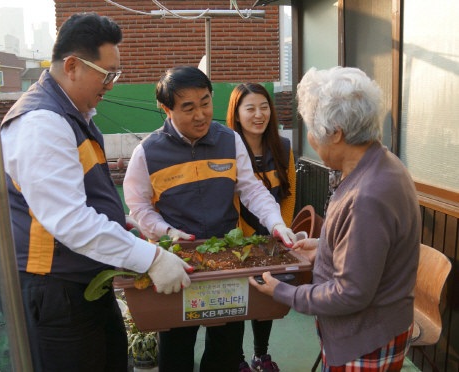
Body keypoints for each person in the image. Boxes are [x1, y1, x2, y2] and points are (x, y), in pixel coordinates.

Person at [0, 13, 191, 372]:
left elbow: (76, 199)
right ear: (72, 66)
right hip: (54, 292)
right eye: (107, 73)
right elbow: (70, 220)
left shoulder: (72, 116)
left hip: (81, 286)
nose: (112, 84)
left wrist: (124, 223)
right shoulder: (42, 124)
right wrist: (152, 259)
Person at [123, 66, 297, 372]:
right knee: (176, 351)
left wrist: (277, 223)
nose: (201, 115)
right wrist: (167, 231)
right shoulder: (148, 152)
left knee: (226, 350)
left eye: (205, 102)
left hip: (227, 261)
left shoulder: (228, 140)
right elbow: (138, 207)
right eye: (188, 108)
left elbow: (251, 189)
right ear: (167, 109)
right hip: (176, 263)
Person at [249, 66, 421, 371]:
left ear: (336, 132)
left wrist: (283, 292)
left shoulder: (366, 196)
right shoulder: (383, 162)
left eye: (312, 130)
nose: (311, 139)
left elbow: (350, 293)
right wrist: (324, 246)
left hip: (364, 337)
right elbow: (365, 248)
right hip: (377, 327)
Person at [226, 83, 296, 372]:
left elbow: (288, 195)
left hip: (272, 240)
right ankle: (237, 358)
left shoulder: (283, 146)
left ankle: (261, 356)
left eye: (264, 107)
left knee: (267, 296)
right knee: (239, 300)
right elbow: (232, 199)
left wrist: (280, 233)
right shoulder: (227, 149)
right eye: (250, 108)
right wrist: (248, 238)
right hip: (238, 241)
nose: (259, 114)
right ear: (237, 113)